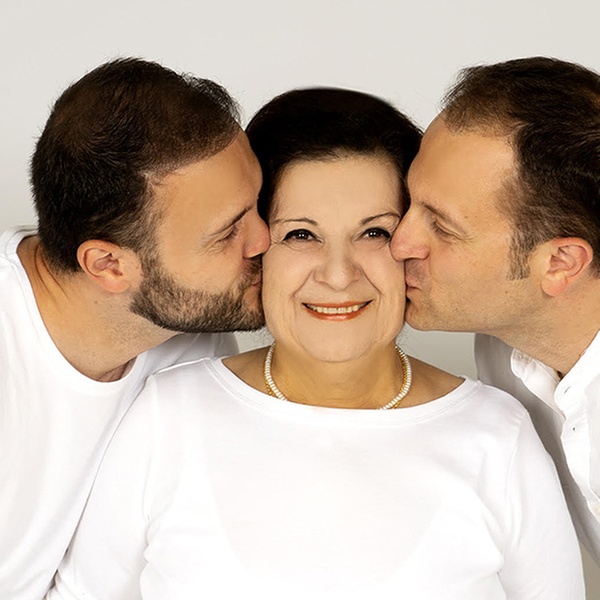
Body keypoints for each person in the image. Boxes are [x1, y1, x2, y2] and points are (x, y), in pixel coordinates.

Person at [47, 87, 583, 600]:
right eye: (301, 234)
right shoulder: (167, 413)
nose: (338, 274)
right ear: (256, 248)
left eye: (374, 232)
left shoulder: (499, 433)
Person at [0, 57, 269, 599]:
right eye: (226, 233)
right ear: (109, 265)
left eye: (257, 206)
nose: (265, 240)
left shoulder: (192, 339)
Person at [390, 56, 600, 563]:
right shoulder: (503, 343)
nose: (399, 243)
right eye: (410, 202)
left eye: (442, 227)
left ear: (560, 263)